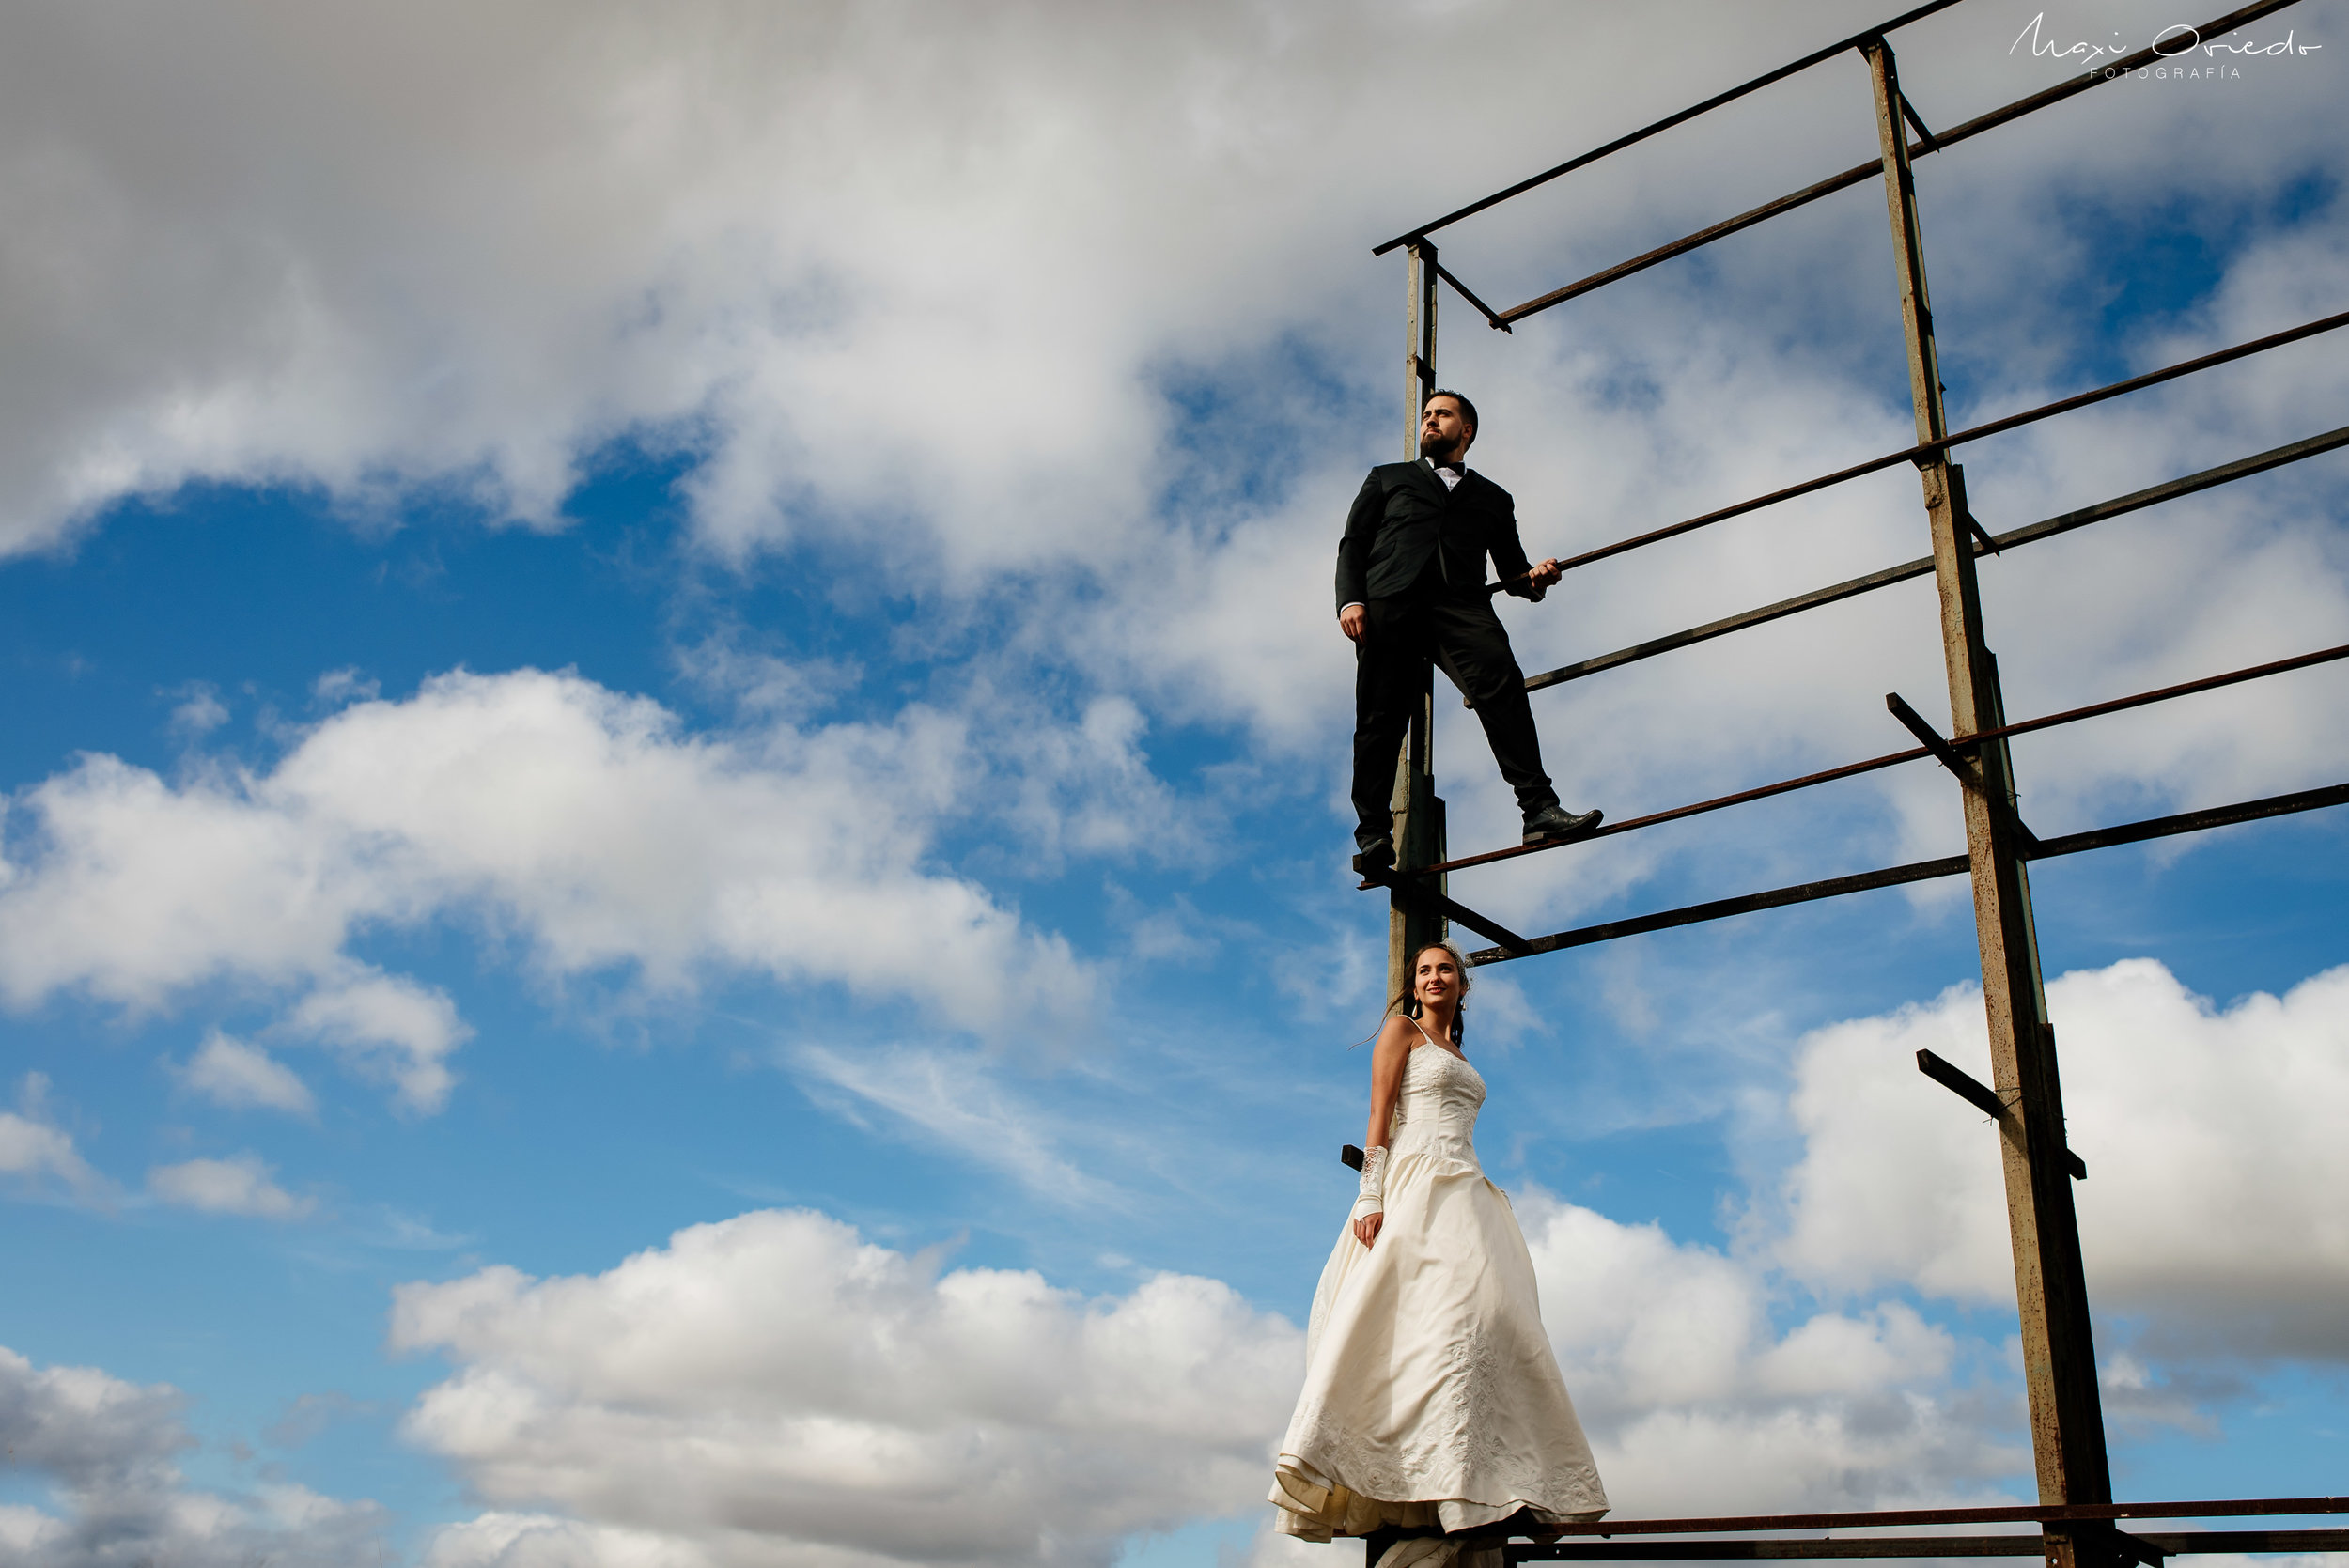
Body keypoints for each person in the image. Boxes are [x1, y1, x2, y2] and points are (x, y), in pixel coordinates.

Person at [1268, 940, 1608, 1568]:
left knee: (1487, 1320)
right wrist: (1369, 1193)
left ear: (1461, 985)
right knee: (1424, 1324)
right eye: (1423, 969)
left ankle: (1490, 1476)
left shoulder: (1459, 1053)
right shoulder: (1401, 1031)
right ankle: (1408, 1475)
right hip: (1414, 1182)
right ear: (1413, 983)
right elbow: (1378, 1113)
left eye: (1444, 968)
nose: (1433, 976)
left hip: (1466, 1187)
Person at [1338, 391, 1600, 873]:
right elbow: (1353, 542)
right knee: (1380, 718)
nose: (1431, 421)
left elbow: (1514, 571)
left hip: (1461, 607)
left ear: (1467, 431)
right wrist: (1350, 600)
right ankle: (1373, 833)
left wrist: (1535, 580)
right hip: (1389, 604)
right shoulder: (1387, 478)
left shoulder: (1494, 498)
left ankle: (1539, 808)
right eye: (1426, 416)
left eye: (1442, 414)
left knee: (1503, 687)